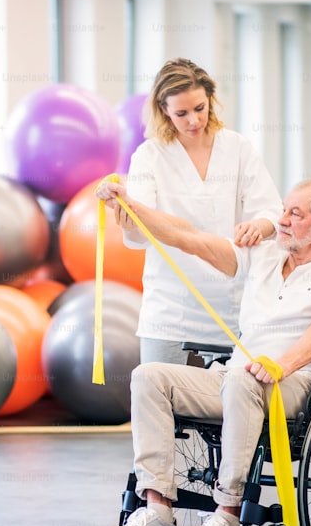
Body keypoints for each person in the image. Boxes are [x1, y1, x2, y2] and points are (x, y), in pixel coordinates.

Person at [98, 177, 311, 526]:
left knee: (242, 380)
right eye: (284, 210)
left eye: (295, 213)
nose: (282, 220)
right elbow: (189, 239)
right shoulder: (265, 253)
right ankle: (158, 509)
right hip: (237, 377)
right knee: (149, 377)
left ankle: (227, 515)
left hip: (299, 383)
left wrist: (280, 365)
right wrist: (130, 206)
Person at [121, 58, 282, 365]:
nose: (194, 120)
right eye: (181, 113)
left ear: (211, 100)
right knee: (157, 399)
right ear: (163, 110)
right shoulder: (149, 156)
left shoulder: (237, 148)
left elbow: (272, 209)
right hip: (170, 309)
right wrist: (126, 213)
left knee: (227, 405)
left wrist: (258, 227)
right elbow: (141, 231)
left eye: (200, 108)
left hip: (231, 304)